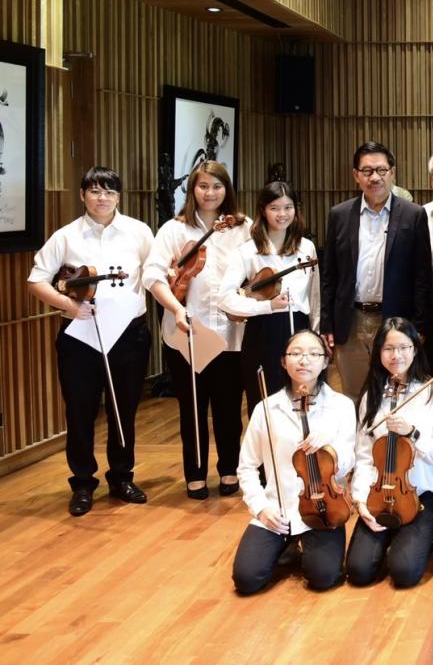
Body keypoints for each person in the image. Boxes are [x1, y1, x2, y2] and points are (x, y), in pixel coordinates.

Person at [27, 167, 154, 516]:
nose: (102, 198)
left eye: (109, 192)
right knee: (80, 410)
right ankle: (82, 483)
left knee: (123, 409)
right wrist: (69, 305)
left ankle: (122, 477)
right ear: (82, 195)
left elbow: (155, 274)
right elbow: (37, 281)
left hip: (129, 334)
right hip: (80, 337)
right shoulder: (66, 236)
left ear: (119, 196)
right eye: (95, 191)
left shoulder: (139, 231)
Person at [144, 161, 251, 500]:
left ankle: (230, 468)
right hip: (186, 332)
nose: (210, 193)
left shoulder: (243, 227)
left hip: (231, 334)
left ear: (227, 190)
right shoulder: (174, 230)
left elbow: (257, 269)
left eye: (217, 186)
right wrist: (176, 309)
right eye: (203, 186)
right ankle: (195, 472)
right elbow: (152, 275)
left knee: (229, 407)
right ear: (192, 189)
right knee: (192, 407)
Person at [231, 329, 356, 594]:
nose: (304, 360)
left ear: (325, 361)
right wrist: (260, 508)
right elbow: (247, 467)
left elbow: (348, 461)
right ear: (283, 361)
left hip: (323, 508)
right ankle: (287, 544)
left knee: (323, 577)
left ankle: (300, 546)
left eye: (313, 354)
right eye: (295, 353)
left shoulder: (342, 406)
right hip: (277, 510)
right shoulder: (266, 408)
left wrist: (329, 448)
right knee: (246, 579)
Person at [320, 142, 432, 399]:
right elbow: (329, 276)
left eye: (381, 170)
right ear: (356, 175)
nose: (375, 177)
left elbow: (422, 276)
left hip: (395, 319)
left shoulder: (413, 215)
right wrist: (327, 323)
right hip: (351, 320)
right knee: (354, 394)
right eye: (367, 171)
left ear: (392, 173)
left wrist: (418, 326)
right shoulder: (339, 214)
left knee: (394, 392)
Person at [347, 318, 433, 588]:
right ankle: (395, 535)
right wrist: (361, 503)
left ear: (415, 349)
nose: (396, 355)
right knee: (358, 571)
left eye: (404, 347)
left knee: (404, 572)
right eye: (388, 348)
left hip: (420, 492)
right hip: (379, 493)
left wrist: (412, 433)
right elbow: (364, 456)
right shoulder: (372, 395)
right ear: (378, 353)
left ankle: (426, 532)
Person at [219, 181, 319, 418]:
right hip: (262, 332)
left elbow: (315, 297)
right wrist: (267, 306)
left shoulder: (306, 247)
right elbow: (224, 297)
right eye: (274, 208)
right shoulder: (248, 250)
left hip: (300, 330)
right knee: (264, 405)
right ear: (263, 210)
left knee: (302, 403)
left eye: (288, 207)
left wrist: (317, 335)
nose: (282, 214)